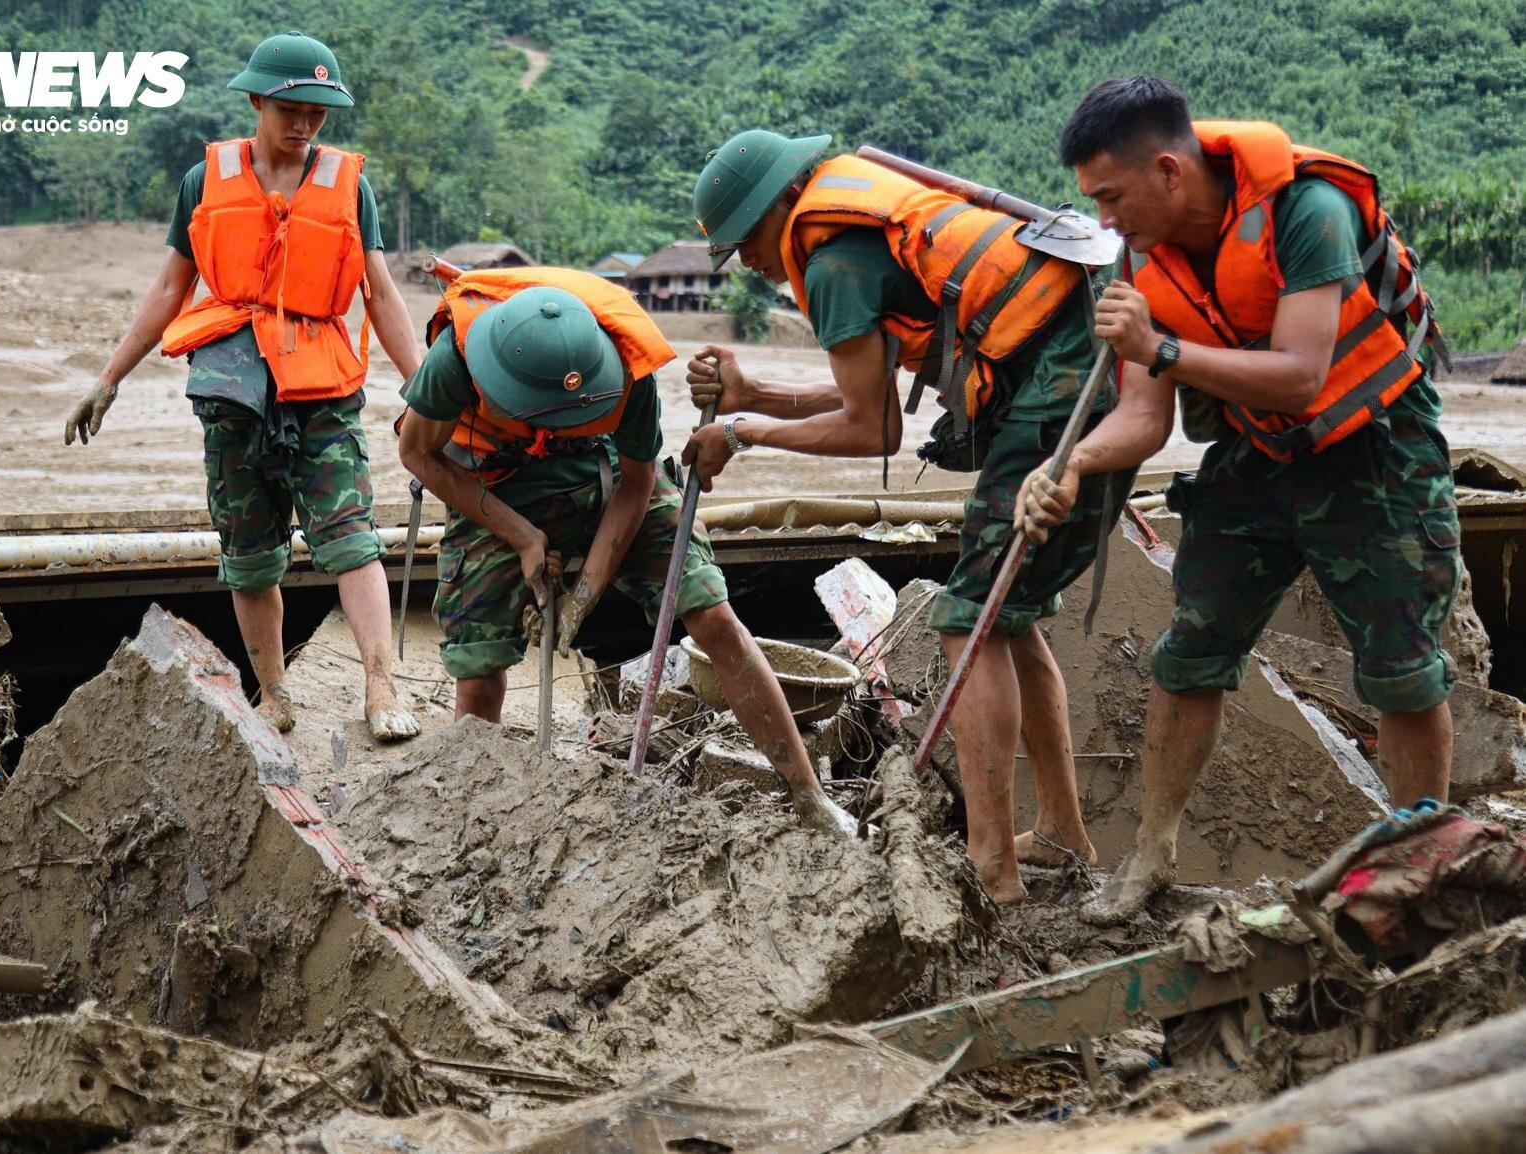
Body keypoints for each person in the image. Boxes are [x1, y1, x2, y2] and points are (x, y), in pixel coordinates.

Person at [1023, 76, 1458, 924]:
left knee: (1402, 675)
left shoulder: (1306, 210)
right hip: (1256, 454)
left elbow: (1299, 374)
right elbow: (1143, 418)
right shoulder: (1142, 256)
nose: (1103, 220)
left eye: (1111, 197)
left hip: (1374, 450)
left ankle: (1417, 875)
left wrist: (1161, 345)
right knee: (1187, 654)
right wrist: (1069, 465)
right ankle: (1151, 855)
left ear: (1168, 169)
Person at [683, 129, 1129, 902]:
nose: (748, 261)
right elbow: (868, 394)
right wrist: (750, 398)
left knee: (969, 620)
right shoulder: (856, 236)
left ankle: (992, 866)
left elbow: (872, 431)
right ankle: (1059, 832)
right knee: (1007, 616)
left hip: (1058, 391)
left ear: (783, 201)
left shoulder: (831, 263)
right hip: (1076, 367)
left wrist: (738, 433)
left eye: (747, 239)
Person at [394, 265, 856, 838]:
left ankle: (807, 794)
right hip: (493, 483)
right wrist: (524, 537)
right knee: (480, 664)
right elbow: (417, 454)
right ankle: (470, 820)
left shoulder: (625, 364)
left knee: (711, 613)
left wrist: (588, 588)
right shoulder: (457, 359)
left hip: (608, 474)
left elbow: (637, 481)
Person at [61, 31, 421, 741]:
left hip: (320, 389)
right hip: (234, 391)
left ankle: (380, 690)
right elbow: (170, 286)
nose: (305, 124)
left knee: (350, 539)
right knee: (250, 555)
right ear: (256, 99)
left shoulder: (351, 185)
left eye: (319, 112)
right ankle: (275, 693)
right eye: (292, 108)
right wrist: (109, 378)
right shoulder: (205, 182)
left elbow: (379, 295)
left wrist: (421, 387)